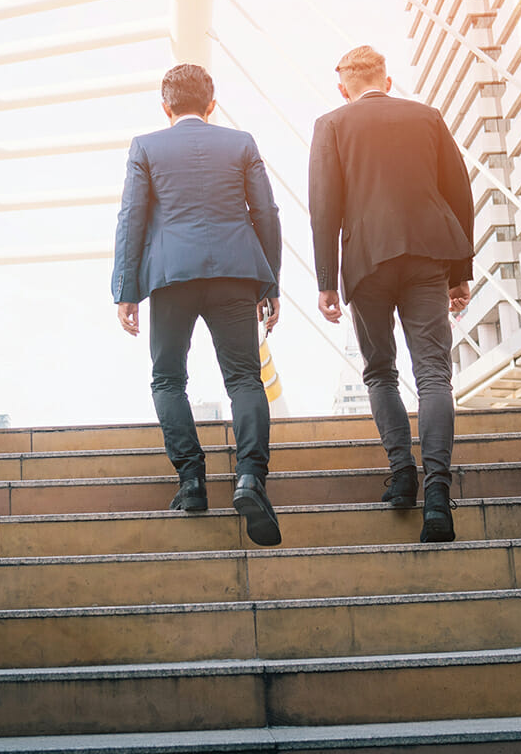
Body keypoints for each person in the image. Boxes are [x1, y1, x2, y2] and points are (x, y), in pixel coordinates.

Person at [112, 63, 283, 546]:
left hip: (171, 277)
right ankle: (250, 477)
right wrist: (269, 283)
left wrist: (126, 289)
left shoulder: (146, 146)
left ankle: (191, 480)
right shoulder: (241, 142)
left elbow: (132, 219)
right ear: (212, 104)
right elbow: (266, 213)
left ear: (165, 106)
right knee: (245, 378)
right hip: (235, 274)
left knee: (168, 378)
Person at [309, 45, 475, 542]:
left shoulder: (332, 125)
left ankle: (403, 476)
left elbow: (324, 207)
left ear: (343, 86)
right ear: (388, 77)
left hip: (367, 262)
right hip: (428, 256)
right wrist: (459, 272)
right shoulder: (427, 117)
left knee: (380, 370)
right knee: (433, 374)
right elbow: (460, 191)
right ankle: (439, 493)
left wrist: (325, 281)